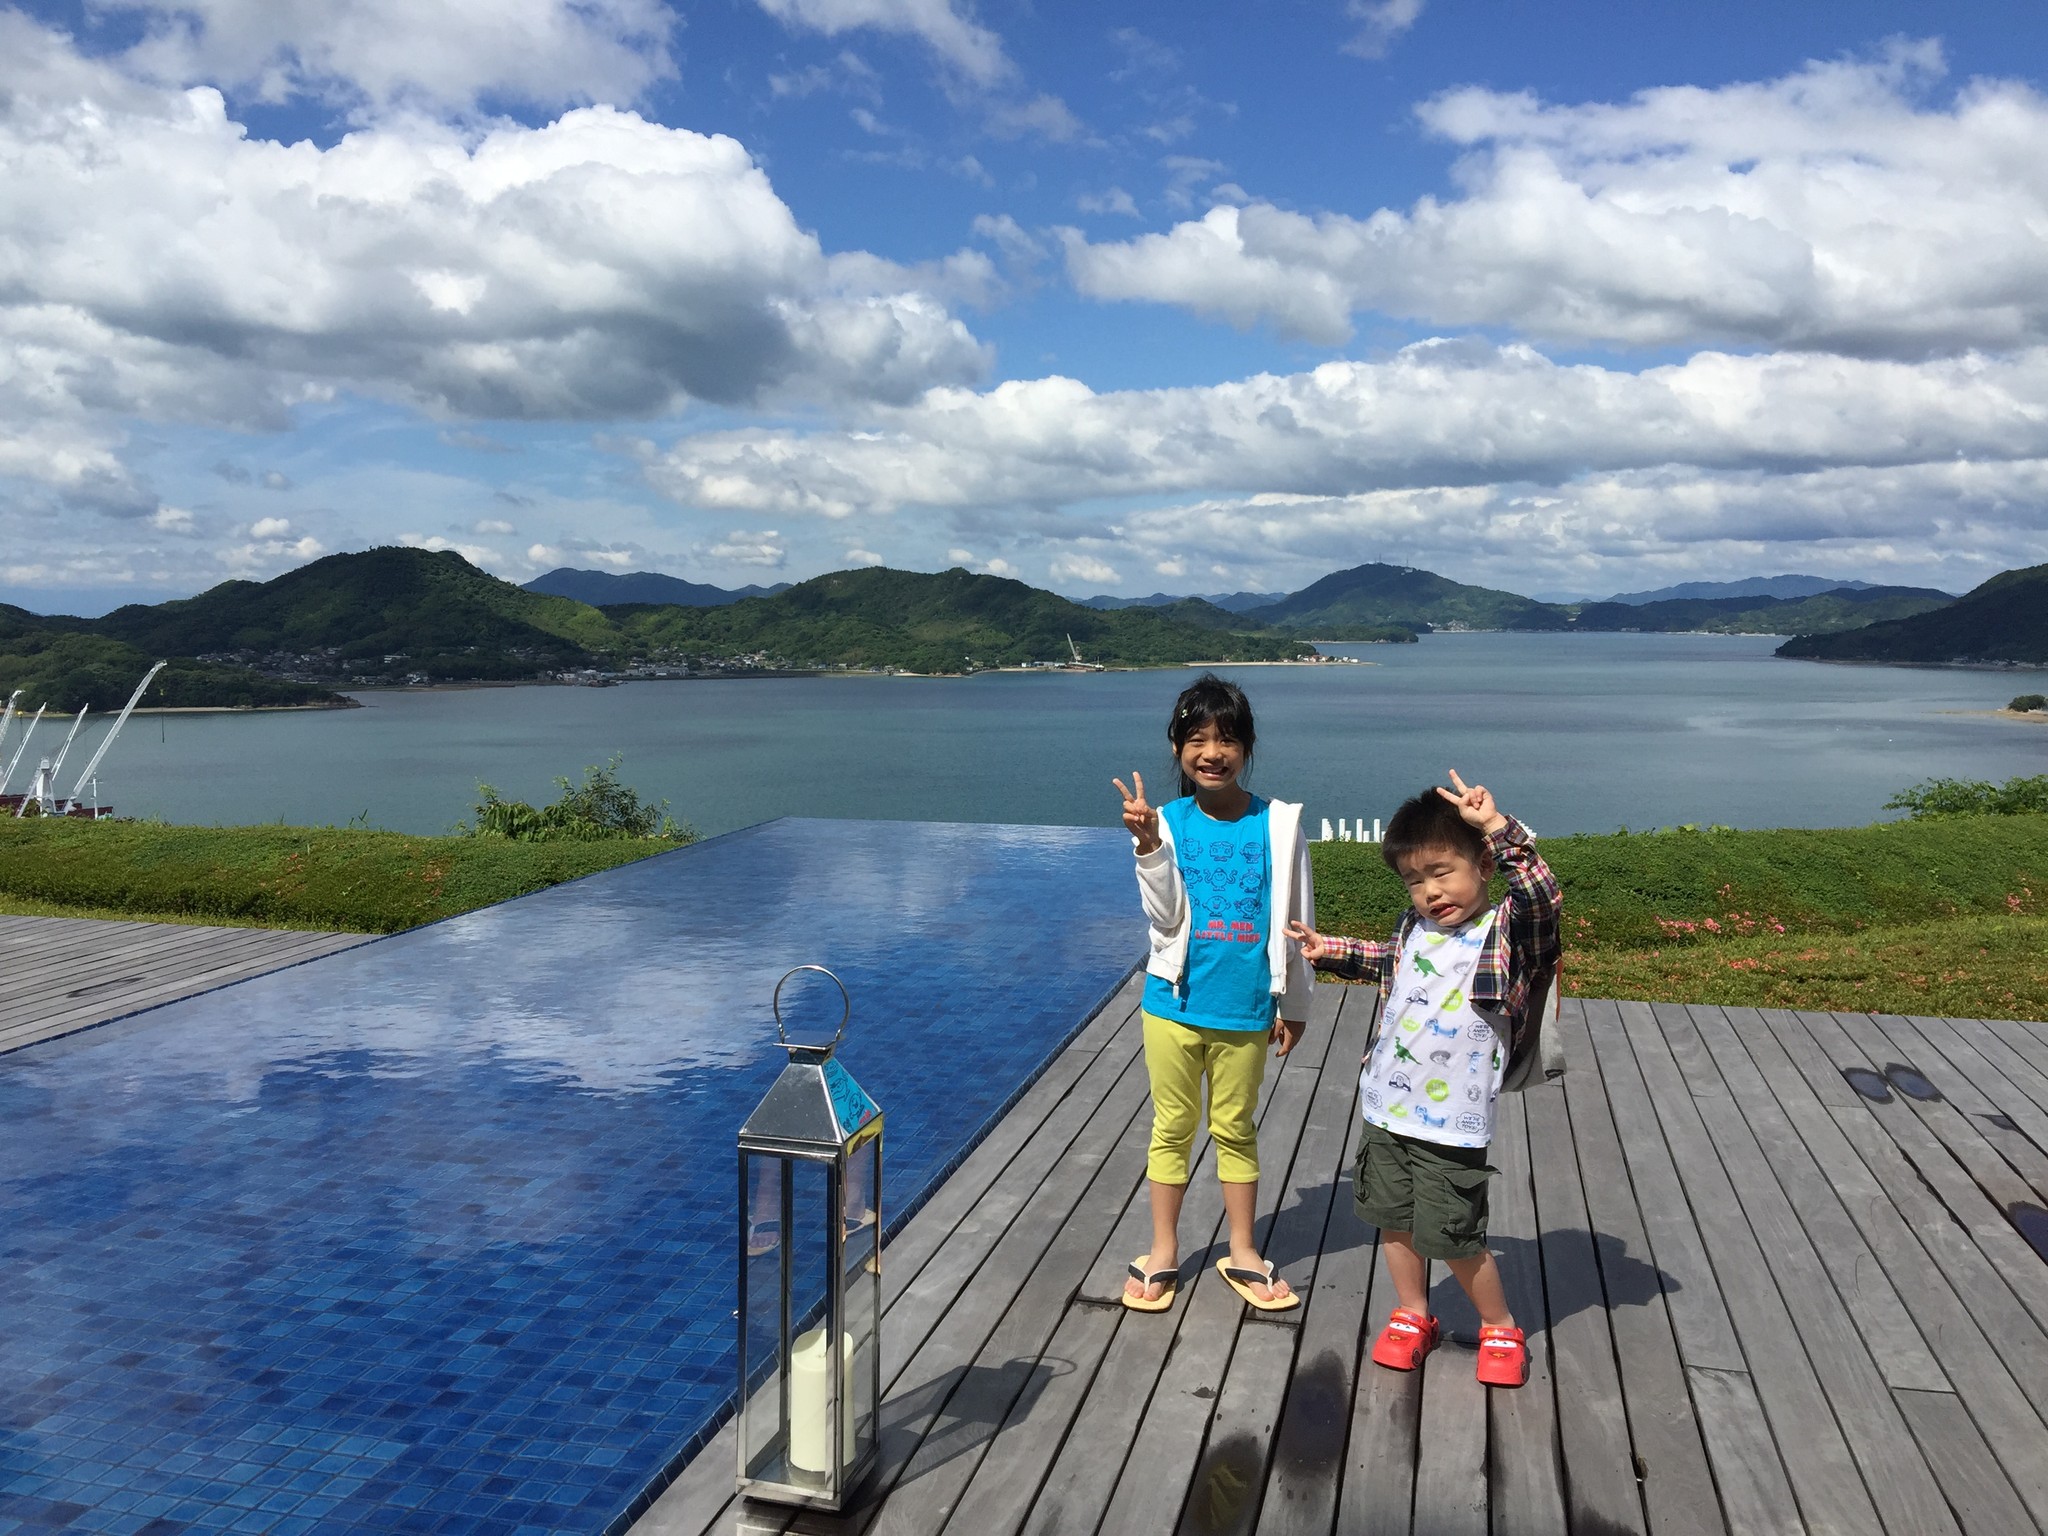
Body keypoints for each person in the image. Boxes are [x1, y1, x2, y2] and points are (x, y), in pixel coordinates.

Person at [1285, 772, 1559, 1387]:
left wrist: (1496, 827)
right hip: (1387, 1106)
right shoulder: (1414, 929)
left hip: (1454, 1120)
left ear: (1483, 865)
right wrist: (1331, 950)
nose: (1430, 892)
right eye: (1414, 880)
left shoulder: (1506, 932)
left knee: (1456, 1235)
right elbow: (1390, 963)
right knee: (1394, 1219)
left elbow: (1542, 897)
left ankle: (1499, 1326)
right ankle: (1413, 1313)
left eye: (1441, 872)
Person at [1113, 674, 1315, 1314]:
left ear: (1247, 747)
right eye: (1196, 739)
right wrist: (1149, 848)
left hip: (1246, 1007)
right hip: (1172, 1005)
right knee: (1171, 1127)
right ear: (1177, 748)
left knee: (1235, 1128)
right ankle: (1164, 1249)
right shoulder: (1166, 823)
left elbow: (1298, 920)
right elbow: (1166, 919)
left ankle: (1243, 1249)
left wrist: (1295, 1004)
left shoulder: (1277, 825)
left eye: (1226, 739)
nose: (1211, 753)